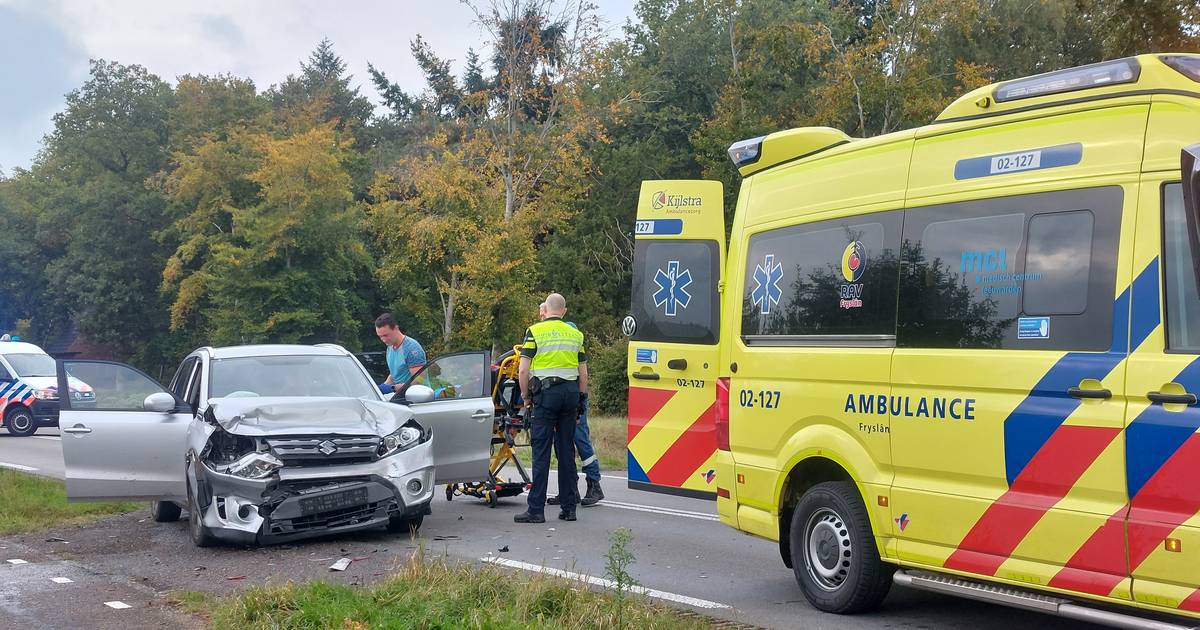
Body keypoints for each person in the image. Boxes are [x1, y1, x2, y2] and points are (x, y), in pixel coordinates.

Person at [514, 293, 588, 524]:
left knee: (541, 452)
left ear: (546, 309)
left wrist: (525, 398)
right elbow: (583, 373)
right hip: (570, 395)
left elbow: (523, 371)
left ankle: (536, 509)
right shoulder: (576, 334)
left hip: (546, 396)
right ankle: (569, 508)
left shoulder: (534, 332)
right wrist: (581, 402)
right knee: (566, 452)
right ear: (564, 311)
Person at [536, 302, 604, 507]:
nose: (541, 317)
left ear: (550, 311)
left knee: (579, 438)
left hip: (572, 394)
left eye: (543, 313)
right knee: (562, 445)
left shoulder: (569, 330)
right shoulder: (548, 331)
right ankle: (570, 491)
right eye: (540, 314)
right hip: (563, 394)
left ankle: (594, 483)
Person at [374, 313, 427, 395]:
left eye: (386, 335)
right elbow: (395, 374)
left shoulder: (412, 349)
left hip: (415, 397)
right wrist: (383, 386)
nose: (383, 340)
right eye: (380, 336)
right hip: (400, 395)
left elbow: (419, 381)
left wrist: (393, 388)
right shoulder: (390, 347)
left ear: (396, 328)